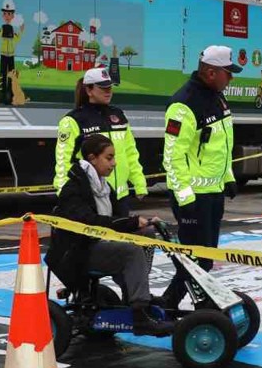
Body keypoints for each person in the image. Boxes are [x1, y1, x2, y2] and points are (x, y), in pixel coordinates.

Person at [45, 135, 171, 337]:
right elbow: (89, 223)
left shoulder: (103, 186)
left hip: (98, 244)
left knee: (146, 233)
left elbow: (119, 219)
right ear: (93, 158)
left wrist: (141, 222)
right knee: (131, 251)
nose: (114, 163)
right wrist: (130, 222)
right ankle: (140, 316)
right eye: (109, 158)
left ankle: (135, 294)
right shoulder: (73, 189)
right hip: (77, 253)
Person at [161, 45, 240, 308]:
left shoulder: (217, 98)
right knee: (196, 258)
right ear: (210, 72)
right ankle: (176, 303)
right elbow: (173, 155)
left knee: (206, 255)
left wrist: (227, 177)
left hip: (213, 192)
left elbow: (220, 146)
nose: (231, 79)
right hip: (193, 197)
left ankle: (192, 303)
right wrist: (185, 196)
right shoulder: (184, 103)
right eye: (228, 73)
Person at [54, 68, 148, 215]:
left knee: (121, 237)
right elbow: (63, 161)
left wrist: (139, 183)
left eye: (110, 87)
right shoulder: (73, 120)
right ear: (89, 90)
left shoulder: (118, 115)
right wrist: (64, 194)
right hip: (91, 198)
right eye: (103, 87)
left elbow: (130, 152)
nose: (108, 91)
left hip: (120, 197)